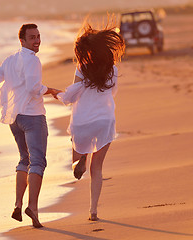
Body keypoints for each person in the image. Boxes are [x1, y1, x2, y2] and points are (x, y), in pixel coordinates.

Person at [0, 23, 59, 228]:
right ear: (22, 41)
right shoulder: (33, 61)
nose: (37, 41)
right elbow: (34, 88)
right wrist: (52, 89)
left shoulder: (10, 60)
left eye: (38, 36)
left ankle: (18, 204)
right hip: (32, 116)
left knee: (24, 160)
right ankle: (33, 208)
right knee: (37, 162)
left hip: (14, 118)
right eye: (32, 37)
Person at [56, 23, 125, 221]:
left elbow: (71, 95)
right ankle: (93, 211)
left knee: (76, 162)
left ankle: (81, 159)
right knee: (98, 169)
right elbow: (112, 92)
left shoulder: (82, 67)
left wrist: (58, 94)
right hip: (105, 120)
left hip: (82, 122)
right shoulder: (111, 69)